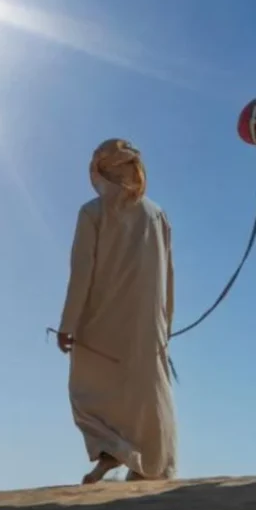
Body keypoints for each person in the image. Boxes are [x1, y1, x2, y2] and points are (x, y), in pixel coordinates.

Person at [56, 138, 177, 484]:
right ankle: (144, 463)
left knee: (90, 389)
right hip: (147, 323)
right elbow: (170, 276)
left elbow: (81, 272)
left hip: (101, 319)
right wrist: (165, 323)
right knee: (147, 395)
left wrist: (68, 324)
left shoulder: (92, 212)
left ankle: (114, 450)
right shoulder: (157, 213)